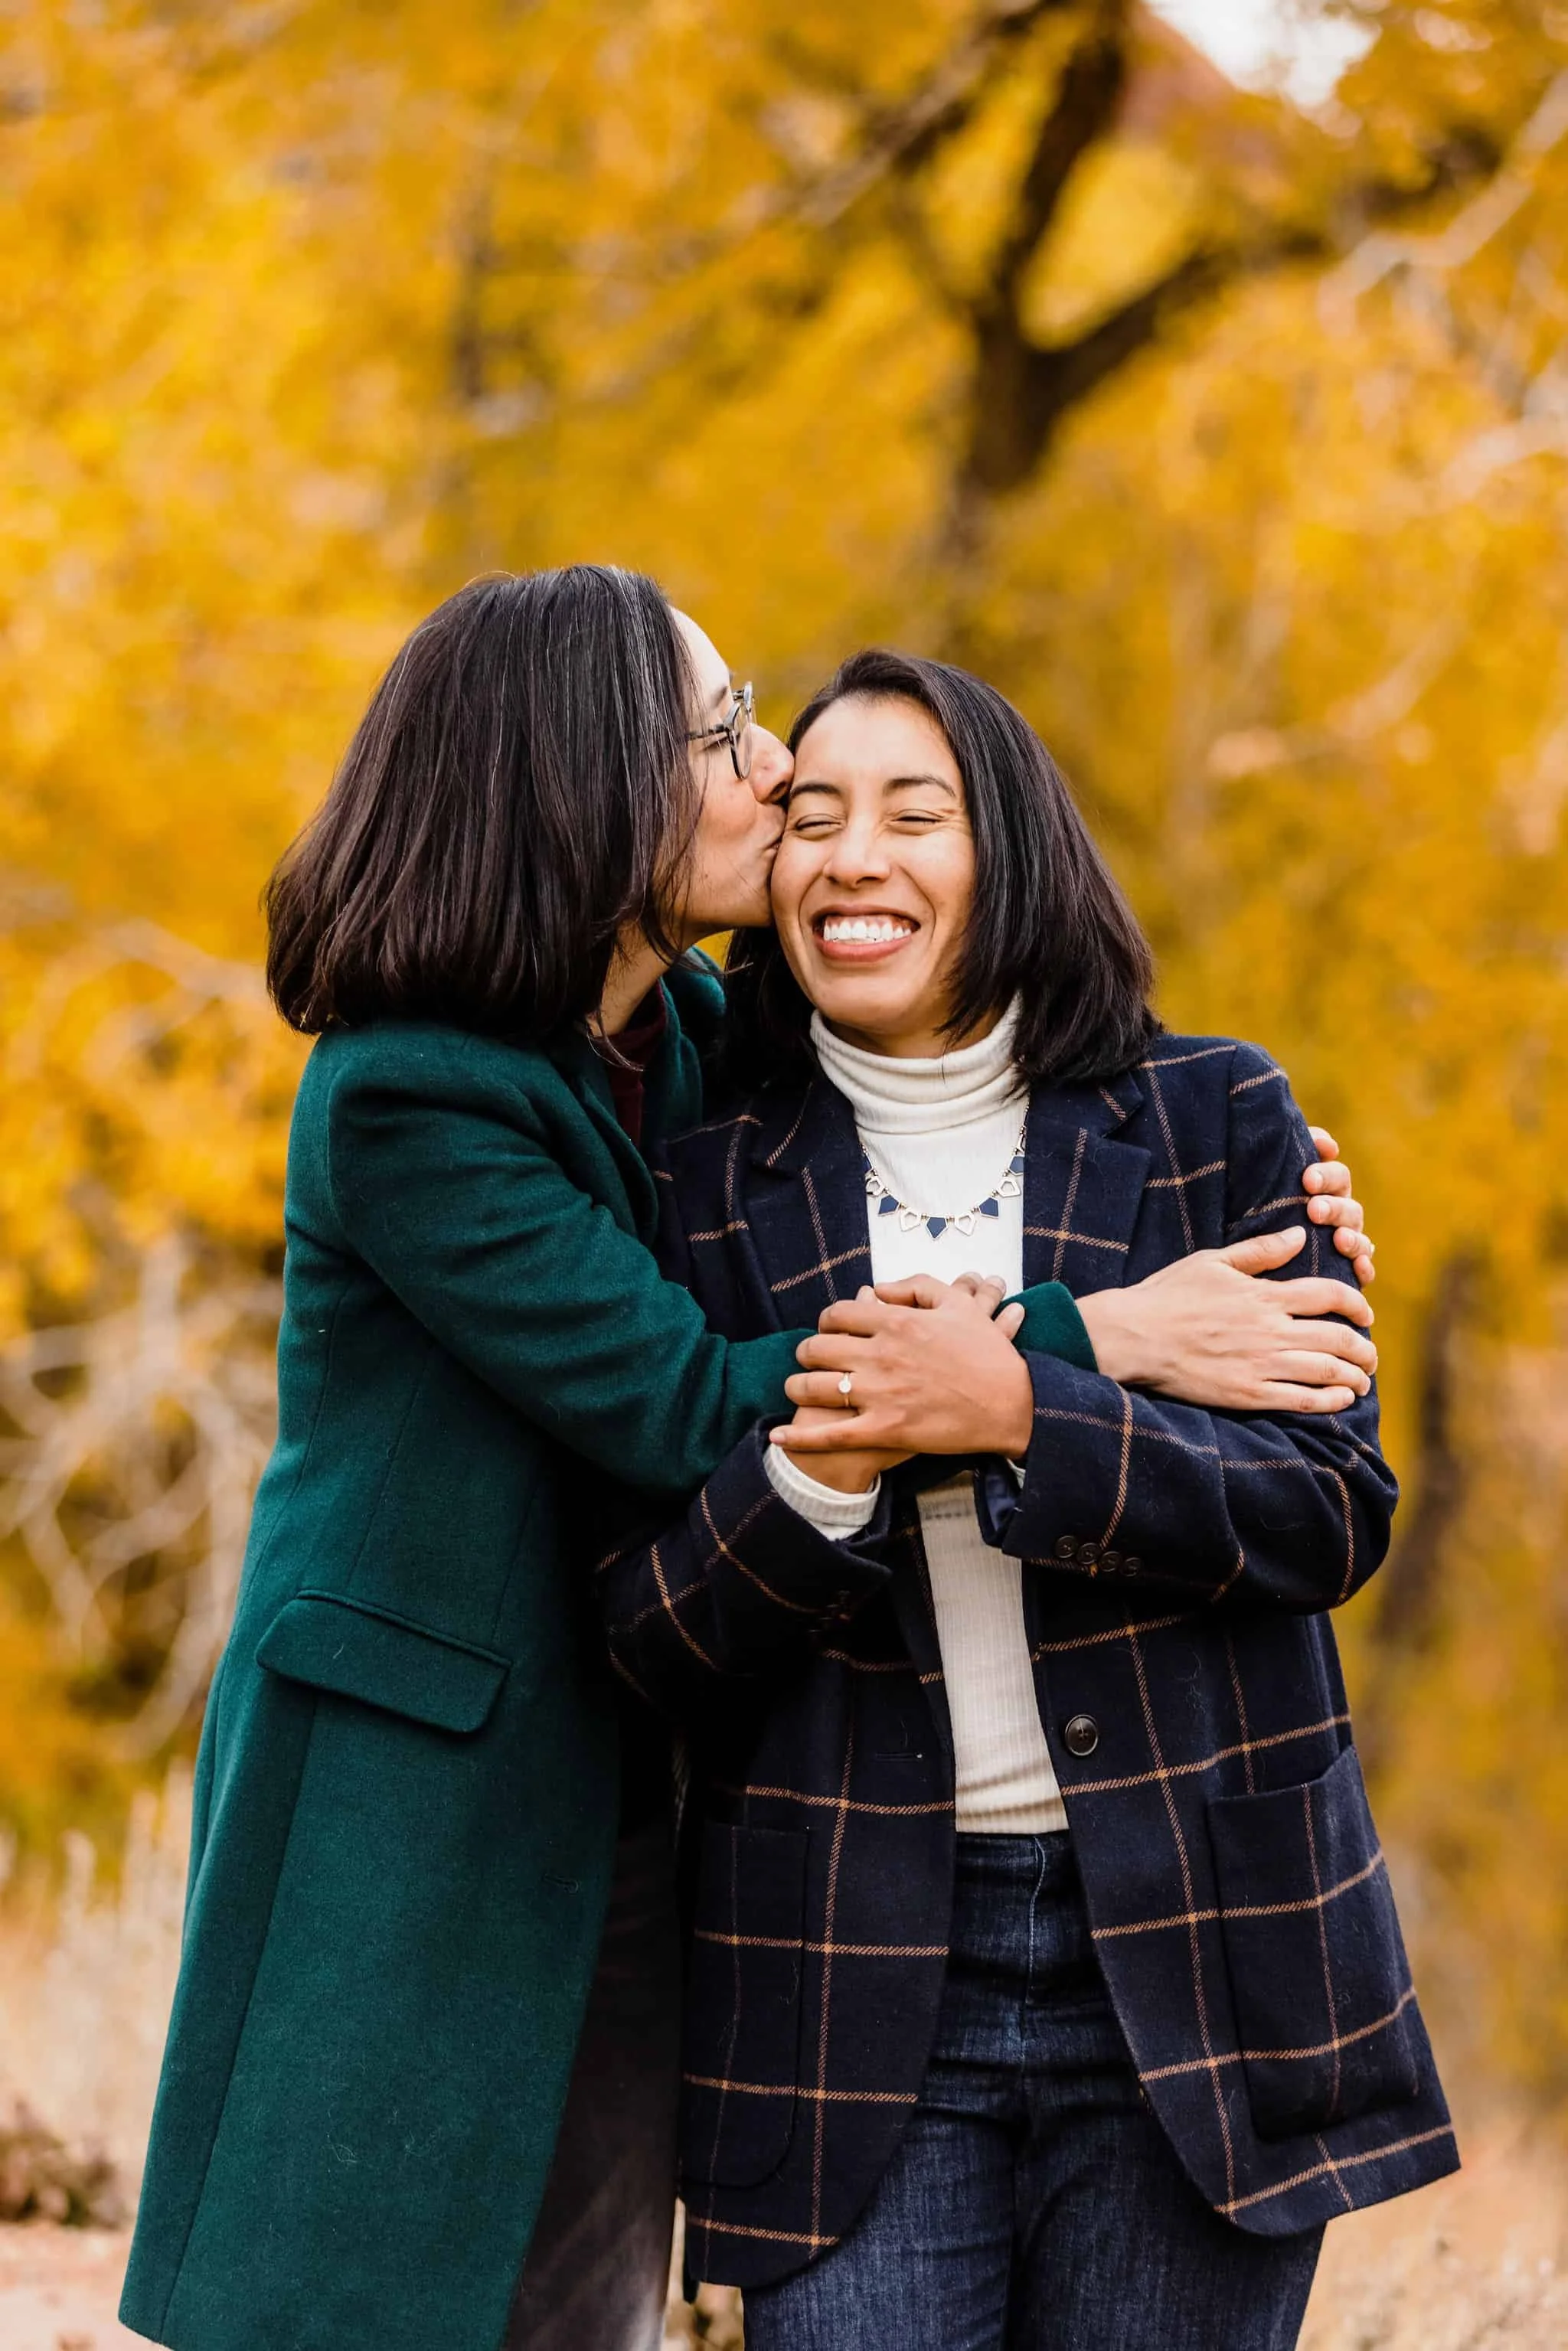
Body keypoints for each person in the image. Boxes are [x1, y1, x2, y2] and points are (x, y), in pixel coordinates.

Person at [119, 570, 1379, 2351]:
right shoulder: (410, 1095)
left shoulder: (694, 1036)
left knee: (576, 2302)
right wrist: (1100, 1334)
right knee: (362, 2296)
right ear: (581, 780)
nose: (771, 769)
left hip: (648, 1753)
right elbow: (685, 1397)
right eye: (720, 734)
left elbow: (970, 1097)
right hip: (422, 1787)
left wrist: (1275, 1188)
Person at [597, 648, 1455, 2351]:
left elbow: (1326, 1511)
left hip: (1196, 1955)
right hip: (839, 1980)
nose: (855, 857)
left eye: (917, 813)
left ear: (1012, 854)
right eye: (814, 815)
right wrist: (835, 1459)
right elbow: (650, 1629)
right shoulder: (697, 1182)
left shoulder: (1213, 1118)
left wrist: (1020, 1416)